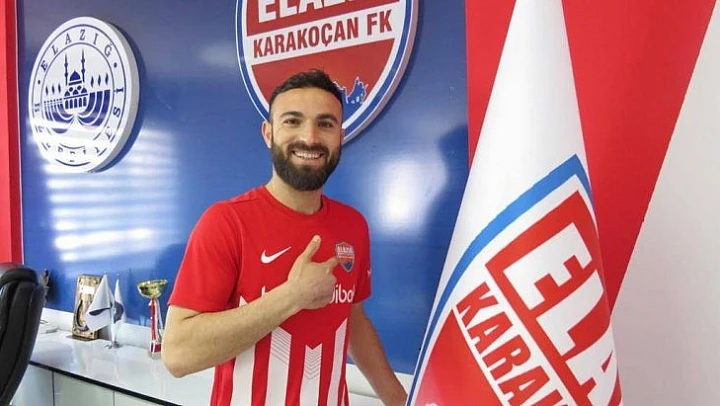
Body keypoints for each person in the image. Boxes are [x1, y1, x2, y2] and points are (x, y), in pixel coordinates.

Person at [162, 69, 408, 406]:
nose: (310, 137)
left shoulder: (353, 225)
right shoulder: (226, 222)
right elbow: (178, 355)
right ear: (269, 133)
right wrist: (292, 296)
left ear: (339, 136)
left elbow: (353, 318)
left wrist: (399, 399)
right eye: (293, 121)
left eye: (325, 124)